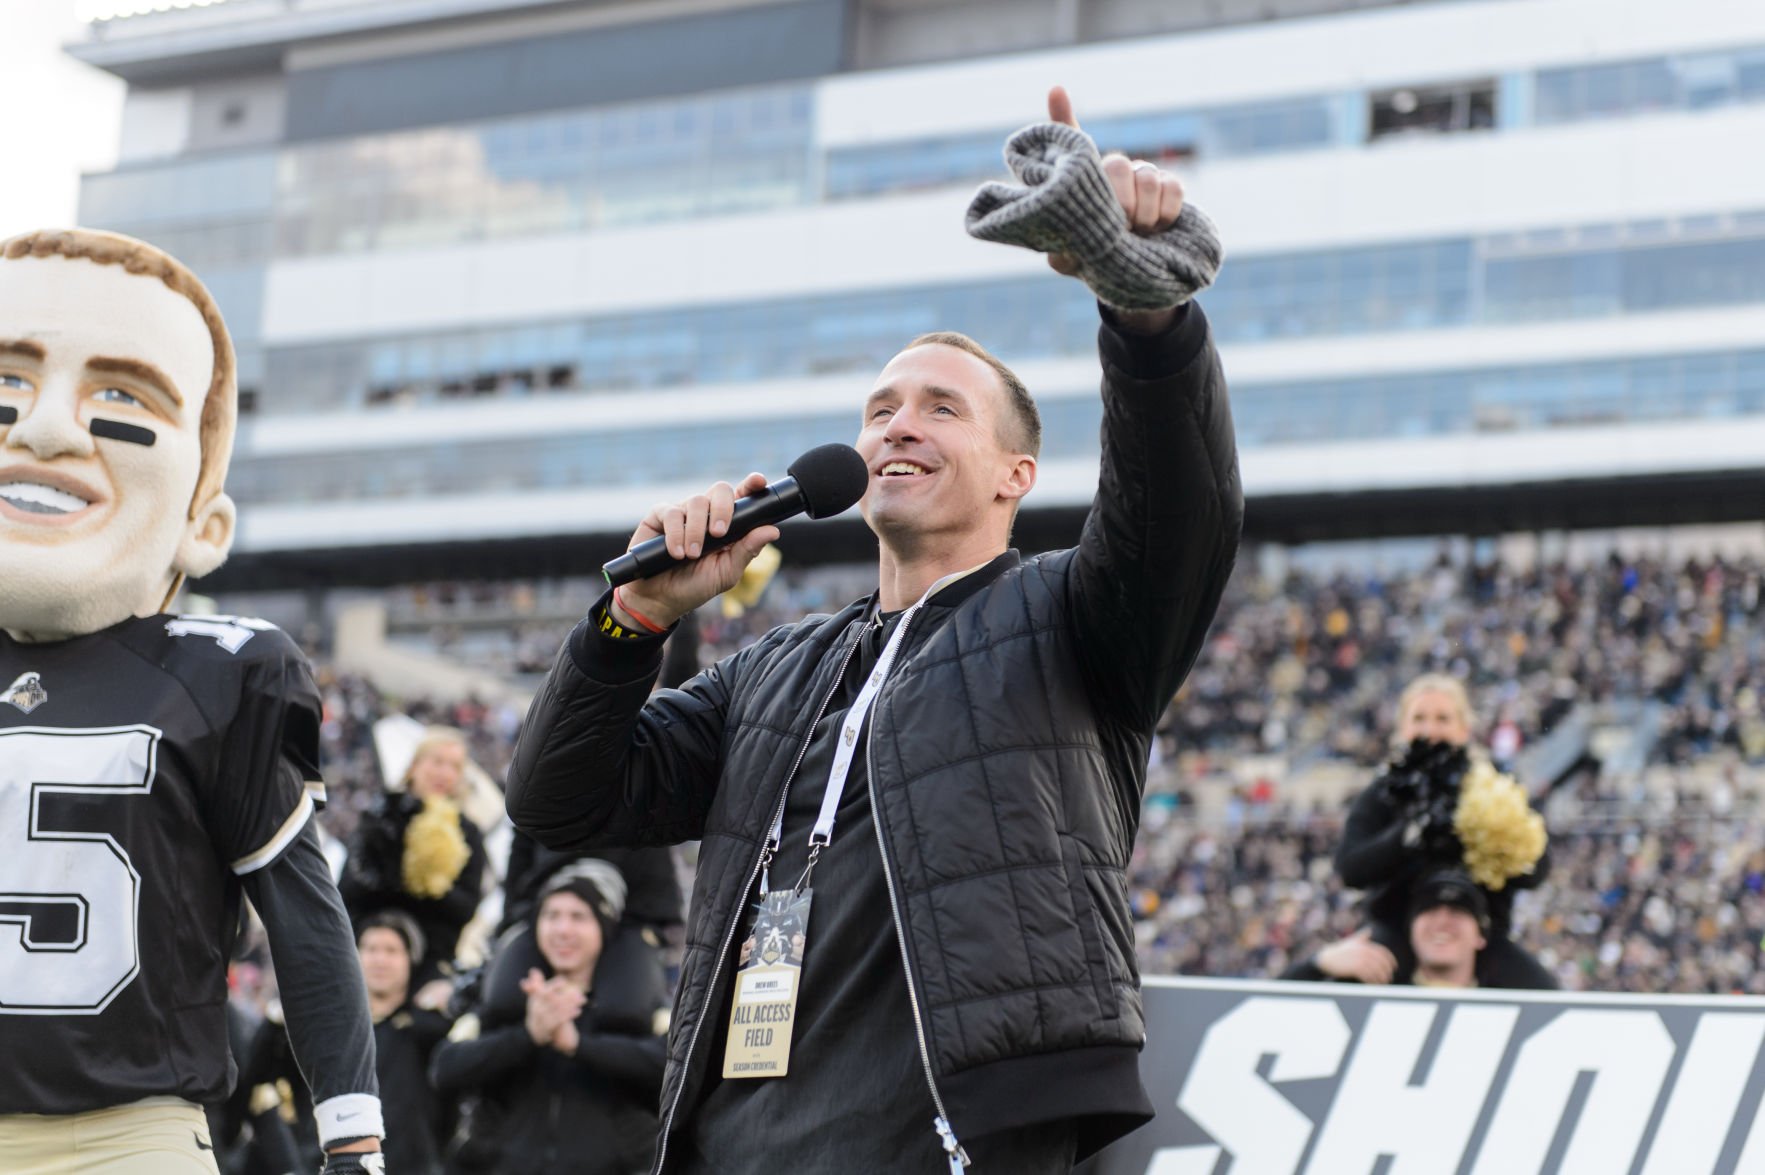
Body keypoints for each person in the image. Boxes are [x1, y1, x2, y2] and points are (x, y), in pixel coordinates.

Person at [505, 86, 1240, 1173]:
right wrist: (633, 621)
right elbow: (556, 798)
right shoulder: (774, 669)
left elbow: (1175, 506)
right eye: (880, 408)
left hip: (948, 1134)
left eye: (942, 407)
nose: (899, 423)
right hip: (732, 1141)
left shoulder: (1071, 617)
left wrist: (1144, 315)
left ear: (1017, 474)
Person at [0, 228, 383, 1172]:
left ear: (205, 521)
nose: (44, 431)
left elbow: (304, 919)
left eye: (121, 397)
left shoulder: (220, 670)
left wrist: (353, 1138)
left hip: (123, 1138)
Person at [430, 862, 668, 1175]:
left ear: (604, 927)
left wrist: (578, 1045)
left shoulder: (639, 1005)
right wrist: (528, 1034)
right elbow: (444, 1068)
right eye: (551, 915)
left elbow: (670, 1067)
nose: (562, 930)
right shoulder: (506, 1002)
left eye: (578, 917)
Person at [1335, 674, 1556, 989]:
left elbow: (1536, 870)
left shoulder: (1493, 788)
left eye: (1443, 719)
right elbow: (1350, 868)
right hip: (1399, 934)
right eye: (1419, 719)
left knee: (1544, 996)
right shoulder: (1384, 792)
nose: (1430, 730)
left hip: (1481, 937)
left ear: (1464, 729)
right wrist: (1410, 833)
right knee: (1344, 982)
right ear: (1402, 729)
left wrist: (1485, 833)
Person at [342, 726, 490, 1008]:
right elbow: (348, 889)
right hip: (368, 954)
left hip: (430, 962)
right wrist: (394, 871)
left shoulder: (467, 833)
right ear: (414, 766)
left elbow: (466, 906)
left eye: (454, 766)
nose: (444, 773)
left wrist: (432, 886)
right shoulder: (381, 815)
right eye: (437, 761)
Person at [1285, 870, 1528, 989]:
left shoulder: (1514, 1001)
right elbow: (1270, 1015)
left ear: (1481, 935)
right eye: (1428, 910)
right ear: (1410, 930)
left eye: (1458, 911)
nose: (1442, 921)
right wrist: (1318, 965)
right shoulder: (1374, 993)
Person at [359, 913, 454, 1175]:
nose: (380, 960)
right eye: (371, 949)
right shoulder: (338, 1030)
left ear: (410, 960)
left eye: (391, 951)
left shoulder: (432, 1030)